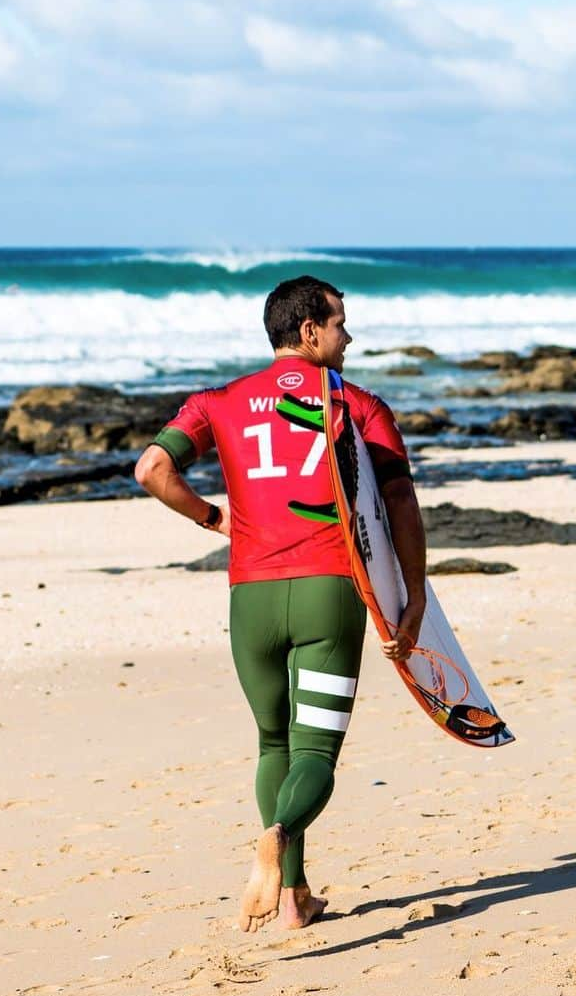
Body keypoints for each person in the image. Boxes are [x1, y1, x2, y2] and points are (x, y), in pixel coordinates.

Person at [134, 275, 426, 932]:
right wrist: (413, 593)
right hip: (330, 593)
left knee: (272, 740)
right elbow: (399, 502)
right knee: (315, 754)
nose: (348, 336)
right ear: (307, 331)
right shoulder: (360, 405)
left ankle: (293, 899)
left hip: (251, 599)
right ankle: (279, 839)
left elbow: (151, 468)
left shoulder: (218, 402)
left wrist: (214, 518)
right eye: (340, 323)